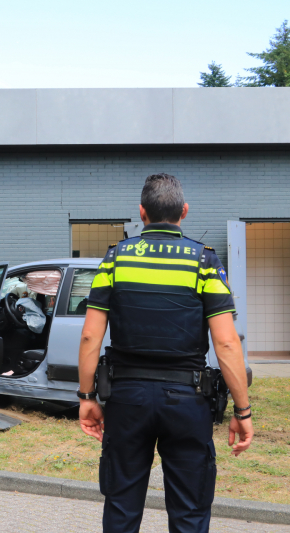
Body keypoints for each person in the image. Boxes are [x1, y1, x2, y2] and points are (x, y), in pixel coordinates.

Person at [77, 174, 253, 533]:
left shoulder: (114, 260)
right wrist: (243, 410)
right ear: (183, 212)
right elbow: (226, 343)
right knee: (190, 513)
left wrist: (86, 397)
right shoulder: (204, 262)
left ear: (141, 212)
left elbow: (89, 337)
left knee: (121, 509)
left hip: (126, 401)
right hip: (188, 402)